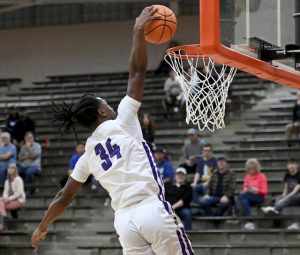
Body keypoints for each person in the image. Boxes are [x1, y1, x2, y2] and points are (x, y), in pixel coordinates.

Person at [31, 7, 194, 255]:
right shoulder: (124, 122)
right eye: (105, 103)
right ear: (102, 112)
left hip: (125, 223)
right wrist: (138, 31)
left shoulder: (87, 156)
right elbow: (137, 72)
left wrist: (42, 226)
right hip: (151, 210)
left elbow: (64, 198)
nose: (110, 104)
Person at [238, 158, 268, 230]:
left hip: (259, 196)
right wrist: (249, 190)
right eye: (249, 168)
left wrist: (255, 190)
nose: (251, 170)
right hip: (249, 196)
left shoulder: (262, 176)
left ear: (256, 168)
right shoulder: (247, 177)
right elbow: (244, 188)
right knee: (244, 200)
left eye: (253, 168)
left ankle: (237, 214)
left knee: (241, 195)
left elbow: (265, 191)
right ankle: (250, 222)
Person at [0, 163, 26, 231]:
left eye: (12, 168)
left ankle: (3, 219)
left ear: (15, 170)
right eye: (9, 168)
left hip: (19, 200)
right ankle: (3, 217)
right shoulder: (6, 181)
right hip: (9, 201)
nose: (10, 169)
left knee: (0, 204)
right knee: (0, 200)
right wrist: (5, 198)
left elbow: (19, 193)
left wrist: (9, 198)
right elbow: (5, 193)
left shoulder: (18, 179)